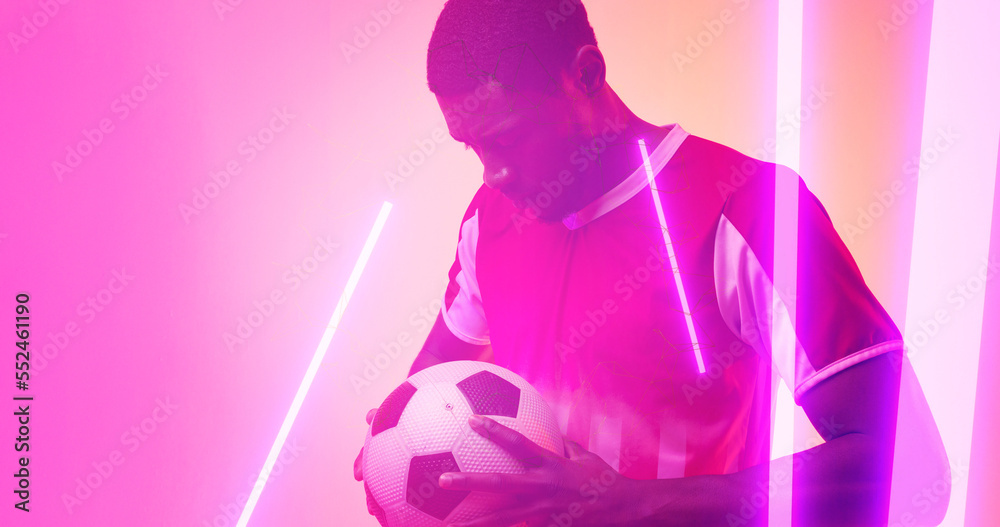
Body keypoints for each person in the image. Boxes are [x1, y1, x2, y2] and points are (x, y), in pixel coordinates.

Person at [356, 1, 951, 525]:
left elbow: (909, 463)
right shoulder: (490, 219)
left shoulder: (748, 209)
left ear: (586, 74)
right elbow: (436, 372)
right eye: (474, 146)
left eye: (509, 140)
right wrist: (394, 440)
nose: (494, 173)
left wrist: (631, 504)